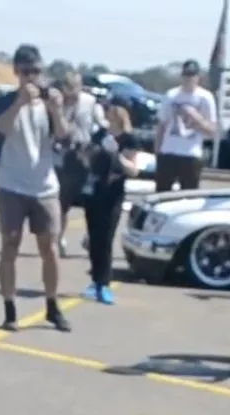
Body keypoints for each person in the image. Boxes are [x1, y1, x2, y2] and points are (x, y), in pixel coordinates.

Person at [0, 44, 71, 332]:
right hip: (11, 184)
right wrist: (19, 103)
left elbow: (64, 137)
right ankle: (10, 309)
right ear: (16, 72)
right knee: (9, 245)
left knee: (49, 247)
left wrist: (58, 111)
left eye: (35, 71)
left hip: (45, 185)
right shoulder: (5, 101)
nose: (31, 77)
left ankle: (52, 305)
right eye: (25, 71)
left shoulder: (49, 102)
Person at [80, 104, 141, 304]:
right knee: (94, 238)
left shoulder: (129, 139)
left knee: (106, 238)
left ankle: (104, 283)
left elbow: (133, 170)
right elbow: (87, 157)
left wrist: (118, 155)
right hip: (94, 191)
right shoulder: (100, 134)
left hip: (113, 193)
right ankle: (95, 280)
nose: (110, 117)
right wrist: (88, 152)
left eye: (114, 114)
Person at [54, 68, 103, 258]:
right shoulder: (57, 103)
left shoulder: (90, 102)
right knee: (61, 204)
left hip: (85, 158)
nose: (71, 92)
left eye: (75, 87)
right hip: (62, 158)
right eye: (68, 87)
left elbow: (100, 125)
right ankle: (58, 239)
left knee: (90, 202)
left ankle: (89, 238)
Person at [154, 60, 220, 192]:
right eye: (186, 75)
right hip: (169, 152)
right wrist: (158, 151)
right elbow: (162, 125)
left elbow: (212, 130)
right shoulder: (171, 95)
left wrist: (196, 117)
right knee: (162, 192)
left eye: (192, 76)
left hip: (191, 154)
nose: (188, 79)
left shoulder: (205, 97)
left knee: (189, 195)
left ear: (198, 77)